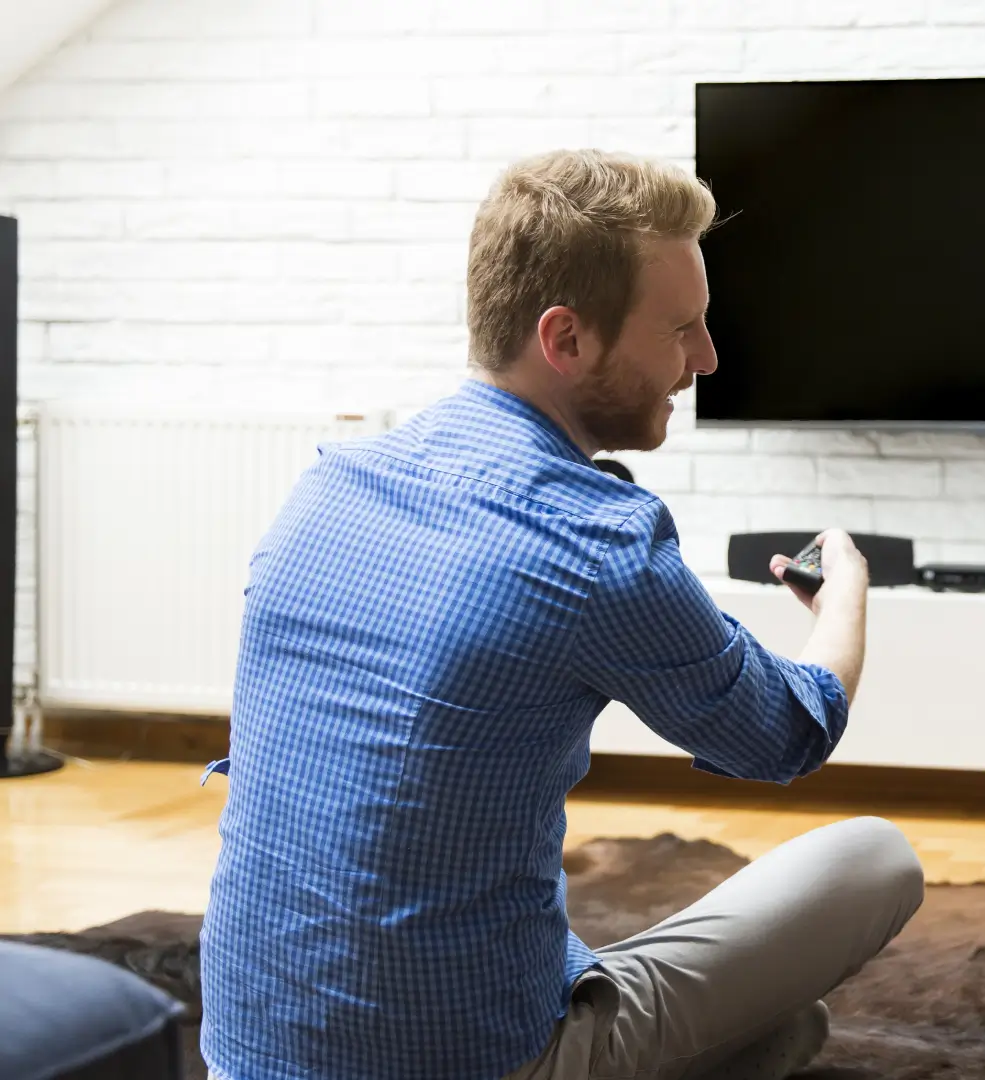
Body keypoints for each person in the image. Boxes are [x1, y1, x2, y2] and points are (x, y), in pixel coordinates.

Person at [198, 150, 924, 1080]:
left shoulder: (326, 488)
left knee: (783, 1027)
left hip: (244, 1052)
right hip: (480, 1062)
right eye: (683, 329)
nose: (705, 359)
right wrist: (846, 595)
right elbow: (786, 731)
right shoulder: (596, 543)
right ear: (566, 339)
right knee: (877, 860)